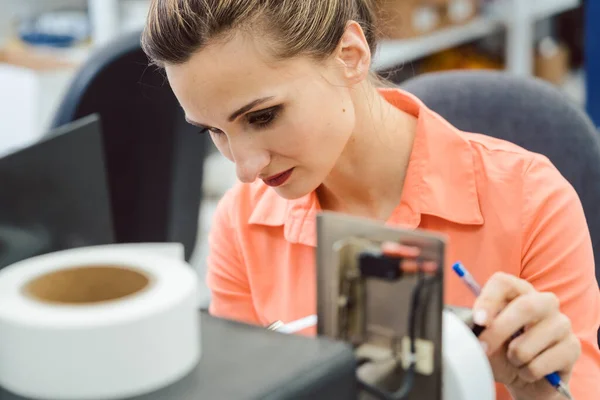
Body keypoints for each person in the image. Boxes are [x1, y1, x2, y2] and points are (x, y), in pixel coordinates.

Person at [141, 1, 600, 399]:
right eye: (213, 131)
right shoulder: (242, 223)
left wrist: (538, 391)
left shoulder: (531, 200)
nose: (245, 168)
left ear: (349, 56)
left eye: (263, 117)